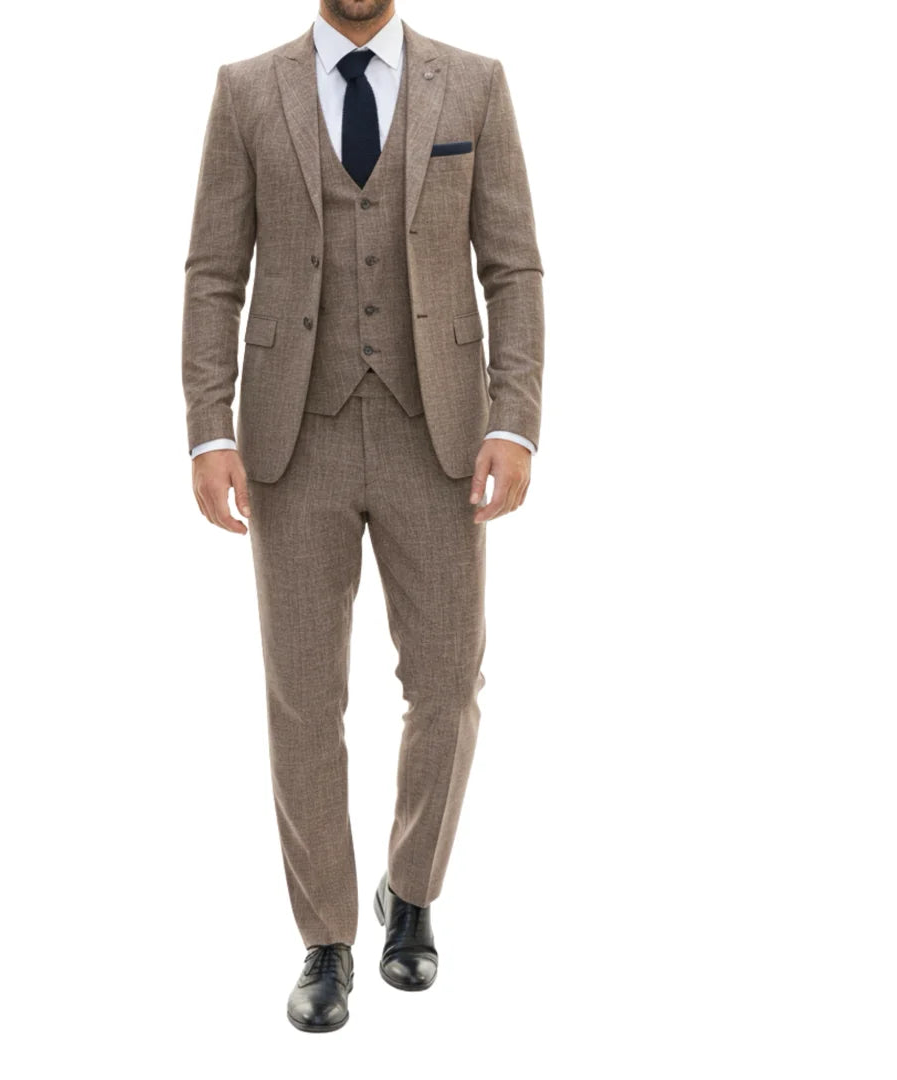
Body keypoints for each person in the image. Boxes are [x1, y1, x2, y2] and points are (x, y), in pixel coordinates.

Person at [181, 0, 543, 1032]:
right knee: (303, 696)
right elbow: (215, 275)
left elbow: (512, 267)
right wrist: (208, 431)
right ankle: (326, 937)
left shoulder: (474, 83)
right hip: (292, 437)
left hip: (441, 433)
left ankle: (411, 892)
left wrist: (514, 420)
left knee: (448, 681)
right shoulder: (245, 92)